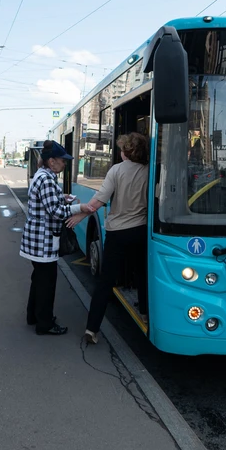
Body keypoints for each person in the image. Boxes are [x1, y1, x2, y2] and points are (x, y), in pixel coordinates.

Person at [67, 132, 150, 345]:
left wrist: (80, 215)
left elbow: (99, 201)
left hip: (117, 234)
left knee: (105, 282)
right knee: (142, 274)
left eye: (122, 148)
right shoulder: (149, 171)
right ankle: (145, 314)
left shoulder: (116, 171)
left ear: (126, 151)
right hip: (140, 231)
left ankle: (92, 329)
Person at [19, 140, 84, 336]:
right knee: (47, 283)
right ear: (52, 161)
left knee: (39, 279)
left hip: (37, 239)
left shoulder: (42, 176)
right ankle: (44, 324)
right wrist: (80, 208)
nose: (65, 164)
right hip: (44, 240)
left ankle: (33, 316)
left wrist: (62, 198)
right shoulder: (47, 179)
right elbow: (55, 211)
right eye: (62, 160)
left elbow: (47, 202)